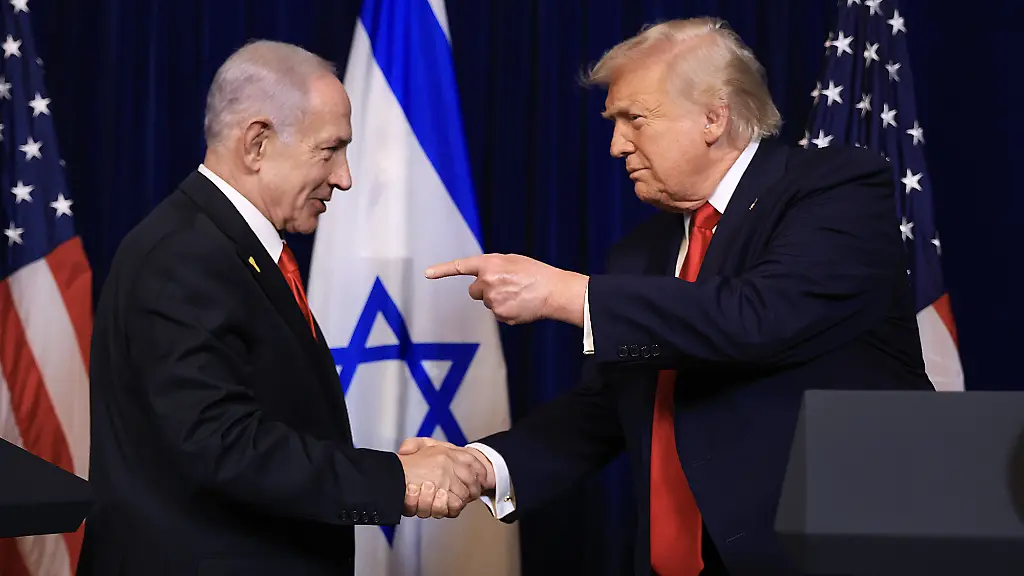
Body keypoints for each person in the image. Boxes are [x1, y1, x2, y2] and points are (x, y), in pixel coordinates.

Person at [405, 17, 935, 576]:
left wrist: (566, 294)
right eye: (613, 123)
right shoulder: (639, 253)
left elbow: (756, 320)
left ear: (714, 117)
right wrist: (483, 465)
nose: (615, 145)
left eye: (634, 119)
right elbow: (610, 408)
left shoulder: (836, 190)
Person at [78, 40, 487, 576]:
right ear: (257, 143)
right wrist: (396, 480)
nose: (344, 177)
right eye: (330, 149)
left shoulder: (224, 247)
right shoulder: (183, 255)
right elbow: (218, 444)